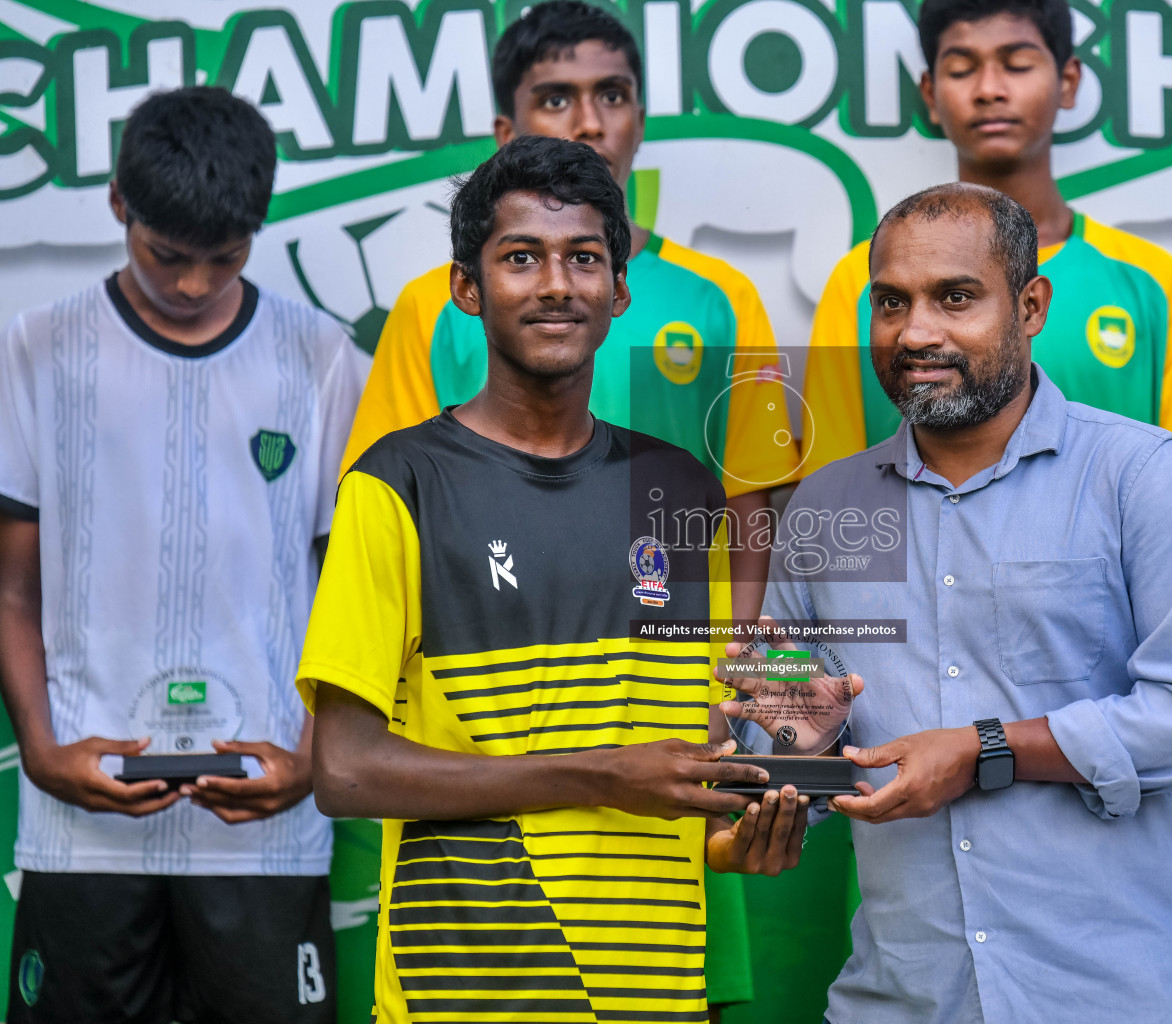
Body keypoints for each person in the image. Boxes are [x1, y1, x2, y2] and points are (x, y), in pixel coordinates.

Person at [297, 134, 810, 1024]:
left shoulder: (682, 489)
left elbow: (684, 769)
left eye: (584, 259)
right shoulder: (398, 482)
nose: (556, 285)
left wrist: (754, 819)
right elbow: (344, 770)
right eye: (521, 258)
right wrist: (600, 777)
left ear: (620, 291)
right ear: (467, 288)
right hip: (458, 996)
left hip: (654, 997)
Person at [760, 181, 1172, 1024]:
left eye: (955, 298)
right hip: (902, 998)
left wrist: (985, 749)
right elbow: (788, 731)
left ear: (1030, 306)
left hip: (1116, 997)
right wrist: (761, 798)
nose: (916, 332)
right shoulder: (827, 509)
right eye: (891, 303)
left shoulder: (1139, 475)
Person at [0, 87, 367, 1023]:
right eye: (168, 255)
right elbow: (12, 590)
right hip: (82, 827)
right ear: (121, 204)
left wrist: (313, 757)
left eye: (225, 258)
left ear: (258, 227)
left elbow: (356, 592)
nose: (196, 284)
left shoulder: (323, 359)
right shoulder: (36, 350)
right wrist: (40, 752)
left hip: (265, 824)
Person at [344, 0, 799, 621]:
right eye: (557, 99)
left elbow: (749, 502)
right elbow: (390, 503)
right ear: (509, 132)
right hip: (491, 657)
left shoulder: (720, 297)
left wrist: (731, 668)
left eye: (611, 96)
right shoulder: (430, 305)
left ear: (639, 119)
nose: (589, 122)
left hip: (672, 673)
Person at [801, 0, 1172, 510]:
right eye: (961, 68)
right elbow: (832, 492)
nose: (990, 88)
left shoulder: (1153, 282)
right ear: (931, 92)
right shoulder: (860, 284)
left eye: (1017, 64)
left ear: (1067, 81)